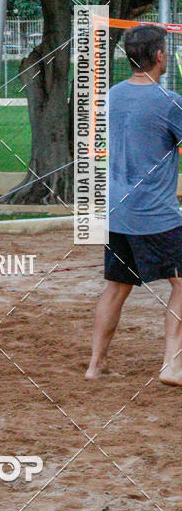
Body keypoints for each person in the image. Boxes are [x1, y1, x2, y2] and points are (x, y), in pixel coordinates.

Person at [86, 24, 182, 384]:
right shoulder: (169, 101)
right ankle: (173, 365)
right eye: (166, 51)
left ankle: (96, 365)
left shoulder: (112, 95)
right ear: (158, 56)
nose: (168, 56)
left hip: (116, 210)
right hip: (154, 213)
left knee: (116, 286)